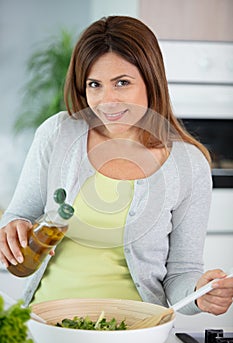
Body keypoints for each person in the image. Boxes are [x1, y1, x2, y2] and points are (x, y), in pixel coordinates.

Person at [0, 16, 232, 316]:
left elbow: (181, 275)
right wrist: (13, 231)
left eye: (122, 83)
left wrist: (200, 293)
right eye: (94, 85)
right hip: (48, 324)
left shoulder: (190, 165)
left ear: (151, 80)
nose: (107, 100)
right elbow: (19, 217)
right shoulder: (57, 134)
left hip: (135, 332)